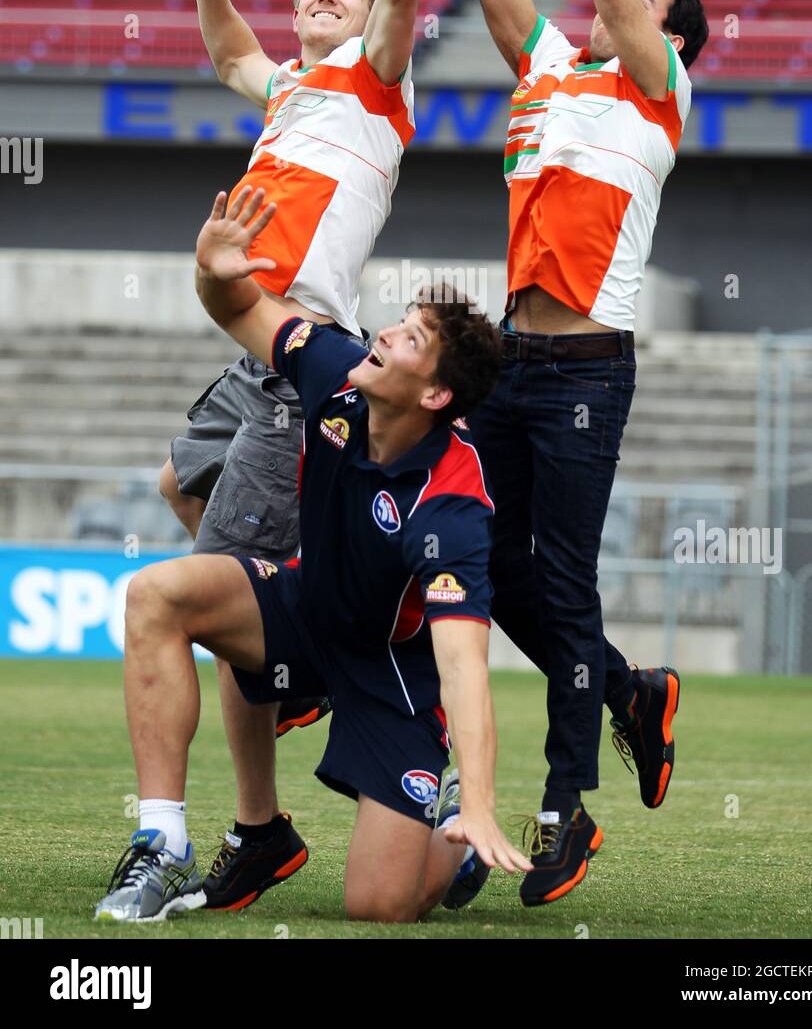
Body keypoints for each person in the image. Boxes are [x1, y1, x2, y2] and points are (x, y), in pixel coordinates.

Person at [154, 0, 435, 908]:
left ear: (366, 17)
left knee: (213, 586)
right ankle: (297, 647)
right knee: (178, 477)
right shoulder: (292, 88)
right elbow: (231, 57)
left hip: (297, 348)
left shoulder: (374, 75)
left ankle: (257, 818)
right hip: (245, 348)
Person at [95, 189, 530, 924]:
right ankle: (163, 840)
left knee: (380, 906)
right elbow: (239, 309)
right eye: (400, 323)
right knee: (156, 595)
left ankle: (451, 831)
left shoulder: (452, 503)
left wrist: (482, 808)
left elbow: (462, 666)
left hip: (391, 672)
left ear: (435, 394)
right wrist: (211, 268)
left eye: (411, 339)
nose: (385, 335)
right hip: (301, 608)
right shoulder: (337, 371)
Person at [439, 0, 708, 906]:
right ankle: (627, 692)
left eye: (639, 6)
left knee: (562, 578)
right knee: (488, 567)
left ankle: (564, 806)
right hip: (507, 357)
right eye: (618, 3)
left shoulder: (659, 88)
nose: (612, 8)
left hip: (590, 363)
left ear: (674, 41)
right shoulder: (548, 70)